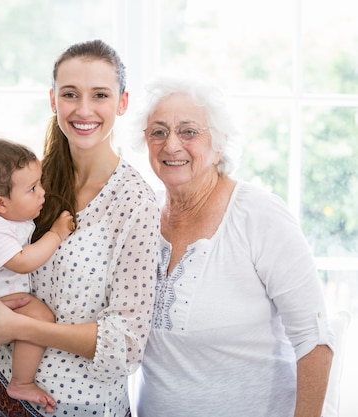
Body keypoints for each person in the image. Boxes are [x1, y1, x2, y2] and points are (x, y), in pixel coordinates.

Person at [0, 40, 161, 417]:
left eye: (100, 94)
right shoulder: (30, 181)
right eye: (70, 94)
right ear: (53, 100)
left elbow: (127, 345)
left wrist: (18, 326)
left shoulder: (135, 202)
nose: (84, 109)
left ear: (122, 102)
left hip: (78, 407)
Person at [132, 75, 335, 417]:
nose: (171, 145)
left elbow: (315, 342)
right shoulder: (143, 217)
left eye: (189, 131)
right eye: (158, 131)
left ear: (219, 144)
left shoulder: (258, 214)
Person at [0, 138, 75, 412]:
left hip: (1, 295)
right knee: (41, 317)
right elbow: (23, 262)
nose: (42, 193)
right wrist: (57, 234)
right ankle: (21, 382)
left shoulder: (8, 217)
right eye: (32, 189)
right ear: (0, 203)